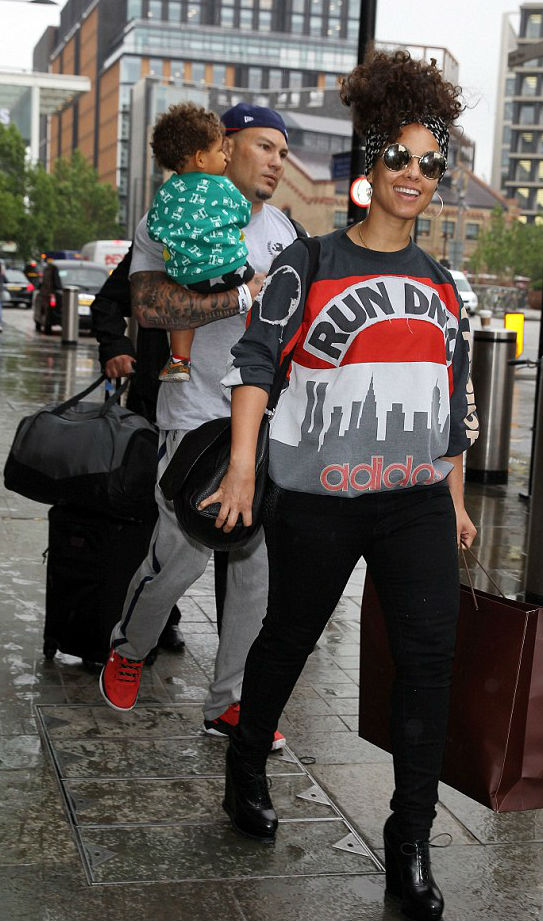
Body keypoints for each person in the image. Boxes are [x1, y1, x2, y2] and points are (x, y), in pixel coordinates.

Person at [202, 50, 479, 921]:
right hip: (317, 494)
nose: (414, 175)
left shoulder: (445, 284)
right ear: (368, 163)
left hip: (412, 500)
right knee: (287, 636)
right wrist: (243, 464)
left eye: (430, 162)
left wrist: (457, 496)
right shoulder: (310, 263)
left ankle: (409, 837)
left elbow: (451, 400)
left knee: (429, 659)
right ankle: (246, 758)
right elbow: (254, 361)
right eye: (398, 157)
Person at [99, 103, 301, 755]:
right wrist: (242, 295)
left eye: (283, 151)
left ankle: (230, 704)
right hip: (194, 420)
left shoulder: (286, 234)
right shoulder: (168, 214)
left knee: (255, 566)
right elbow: (153, 306)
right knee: (181, 554)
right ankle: (130, 646)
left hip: (265, 423)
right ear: (222, 147)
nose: (278, 161)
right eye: (265, 147)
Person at [90, 245, 185, 655]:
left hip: (233, 406)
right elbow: (107, 303)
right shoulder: (162, 234)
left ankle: (236, 656)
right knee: (157, 522)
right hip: (154, 402)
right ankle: (158, 621)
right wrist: (115, 347)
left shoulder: (269, 232)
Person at [147, 103, 254, 383]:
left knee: (182, 317)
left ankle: (179, 361)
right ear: (201, 159)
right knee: (260, 284)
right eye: (220, 151)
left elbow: (154, 229)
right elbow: (243, 214)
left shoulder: (165, 193)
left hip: (187, 278)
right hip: (232, 271)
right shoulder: (222, 186)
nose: (226, 159)